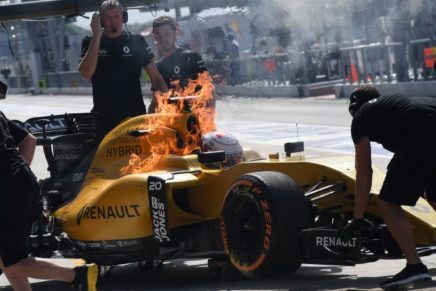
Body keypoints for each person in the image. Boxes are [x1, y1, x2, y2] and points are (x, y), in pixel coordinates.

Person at [0, 82, 98, 290]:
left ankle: (77, 275)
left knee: (13, 262)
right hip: (20, 186)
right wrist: (18, 177)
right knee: (7, 260)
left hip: (10, 194)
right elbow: (29, 140)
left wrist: (10, 183)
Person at [341, 84, 436, 289]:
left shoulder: (361, 117)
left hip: (421, 130)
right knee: (433, 195)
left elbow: (364, 171)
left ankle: (415, 266)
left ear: (354, 107)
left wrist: (358, 218)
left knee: (388, 202)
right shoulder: (393, 105)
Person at [78, 0, 167, 136]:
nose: (113, 21)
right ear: (101, 20)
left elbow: (156, 77)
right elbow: (85, 74)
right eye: (108, 17)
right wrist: (97, 37)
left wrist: (165, 103)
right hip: (104, 120)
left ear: (123, 17)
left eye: (117, 16)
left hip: (135, 118)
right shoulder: (90, 42)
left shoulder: (136, 41)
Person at [149, 16, 210, 113]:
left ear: (175, 33)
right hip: (169, 121)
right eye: (158, 35)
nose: (163, 38)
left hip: (192, 120)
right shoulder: (157, 66)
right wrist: (149, 123)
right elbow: (155, 101)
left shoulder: (191, 57)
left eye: (166, 34)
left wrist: (208, 117)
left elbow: (208, 90)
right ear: (154, 37)